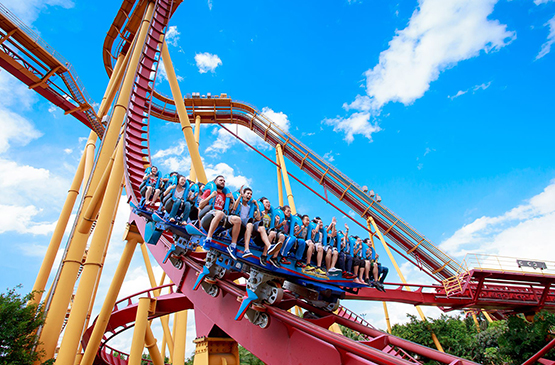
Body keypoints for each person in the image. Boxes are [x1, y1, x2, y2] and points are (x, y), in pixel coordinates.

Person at [198, 176, 241, 259]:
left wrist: (232, 198)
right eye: (220, 180)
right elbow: (200, 205)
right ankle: (208, 239)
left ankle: (233, 246)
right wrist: (211, 196)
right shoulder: (209, 191)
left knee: (237, 220)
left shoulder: (225, 195)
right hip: (208, 214)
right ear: (215, 181)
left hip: (220, 216)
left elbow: (233, 209)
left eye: (224, 181)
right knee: (220, 213)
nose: (223, 182)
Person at [230, 186, 258, 258]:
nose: (249, 195)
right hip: (235, 224)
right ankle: (233, 245)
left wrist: (257, 206)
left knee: (250, 224)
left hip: (243, 227)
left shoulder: (249, 207)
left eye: (251, 194)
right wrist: (240, 196)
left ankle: (246, 249)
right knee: (240, 220)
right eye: (248, 193)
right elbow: (234, 208)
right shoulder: (239, 203)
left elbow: (258, 218)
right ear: (244, 194)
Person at [253, 197, 281, 266]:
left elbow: (271, 227)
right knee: (271, 233)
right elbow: (256, 220)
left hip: (267, 234)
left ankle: (274, 257)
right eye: (266, 202)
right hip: (258, 234)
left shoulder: (269, 216)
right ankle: (264, 255)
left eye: (269, 202)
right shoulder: (257, 211)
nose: (269, 204)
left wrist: (276, 222)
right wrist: (261, 215)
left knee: (278, 234)